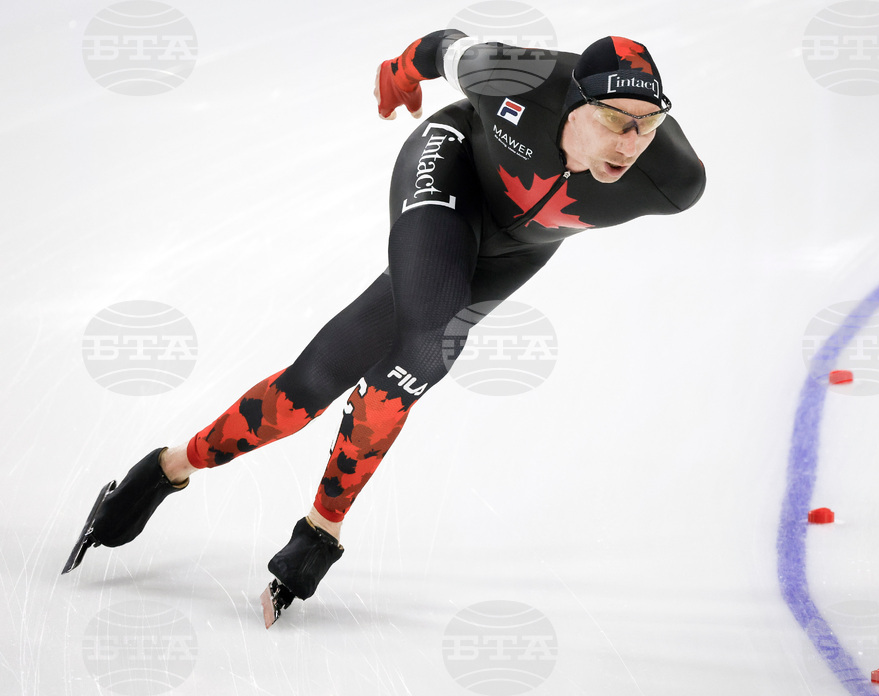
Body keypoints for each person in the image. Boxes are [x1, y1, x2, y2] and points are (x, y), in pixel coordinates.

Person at [63, 29, 706, 626]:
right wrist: (399, 71)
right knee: (431, 340)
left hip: (514, 251)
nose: (631, 143)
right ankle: (321, 530)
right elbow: (442, 48)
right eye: (615, 121)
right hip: (447, 167)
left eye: (649, 125)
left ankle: (171, 470)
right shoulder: (515, 77)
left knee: (314, 382)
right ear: (572, 101)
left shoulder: (675, 180)